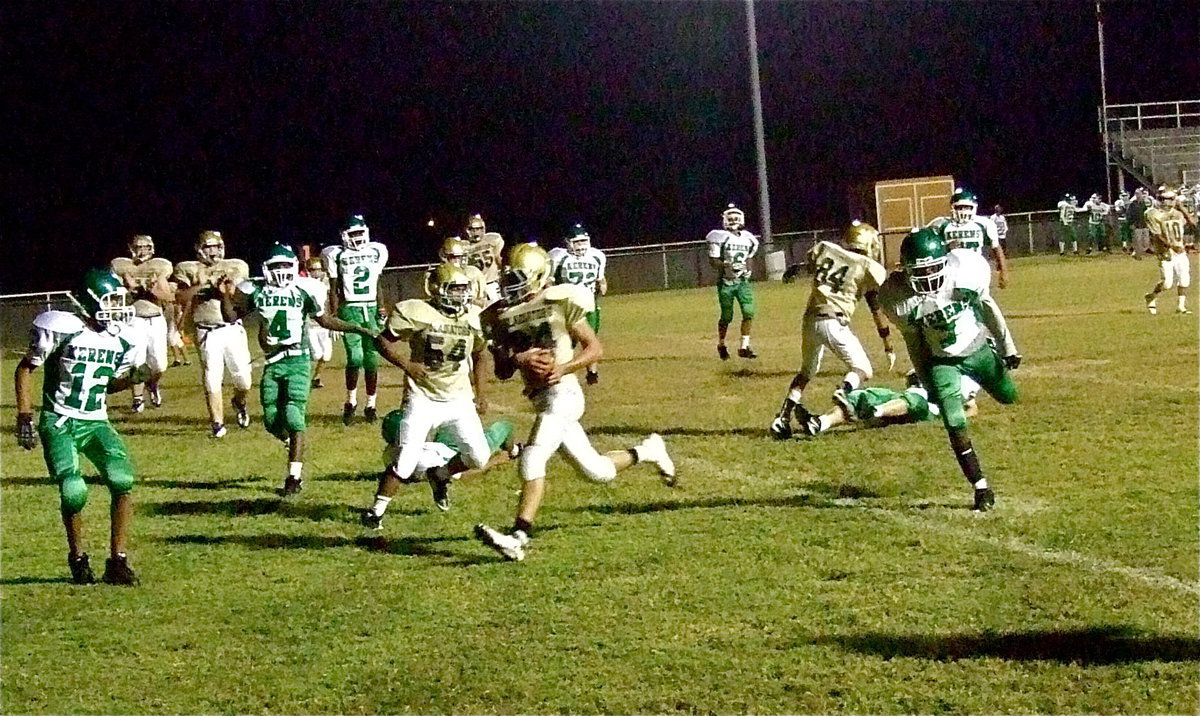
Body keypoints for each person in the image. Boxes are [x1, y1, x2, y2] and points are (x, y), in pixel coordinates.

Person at [474, 244, 676, 562]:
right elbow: (502, 372)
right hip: (541, 399)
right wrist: (516, 357)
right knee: (597, 472)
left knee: (533, 457)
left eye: (518, 277)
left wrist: (563, 367)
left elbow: (594, 347)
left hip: (565, 393)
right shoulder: (501, 316)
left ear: (539, 275)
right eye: (508, 277)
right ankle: (648, 450)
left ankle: (518, 537)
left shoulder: (558, 301)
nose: (511, 284)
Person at [13, 269, 147, 585]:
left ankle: (118, 560)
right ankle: (78, 558)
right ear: (90, 302)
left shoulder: (123, 339)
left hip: (96, 421)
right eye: (110, 301)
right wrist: (24, 415)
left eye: (119, 301)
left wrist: (132, 380)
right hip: (60, 420)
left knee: (122, 478)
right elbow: (25, 370)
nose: (118, 309)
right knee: (74, 491)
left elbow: (104, 385)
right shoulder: (64, 329)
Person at [877, 228, 1021, 512]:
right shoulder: (898, 297)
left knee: (1008, 395)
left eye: (933, 267)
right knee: (953, 420)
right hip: (942, 360)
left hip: (978, 348)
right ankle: (980, 486)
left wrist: (1008, 348)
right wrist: (925, 376)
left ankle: (984, 379)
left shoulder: (966, 270)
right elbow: (913, 340)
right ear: (905, 271)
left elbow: (989, 308)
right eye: (921, 271)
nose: (929, 276)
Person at [220, 243, 377, 494]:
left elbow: (324, 320)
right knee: (271, 419)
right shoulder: (255, 290)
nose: (281, 270)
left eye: (285, 265)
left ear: (294, 266)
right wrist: (226, 295)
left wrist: (356, 328)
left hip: (298, 360)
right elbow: (230, 318)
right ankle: (292, 440)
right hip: (272, 361)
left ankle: (294, 477)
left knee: (294, 414)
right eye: (276, 266)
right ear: (266, 268)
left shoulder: (305, 289)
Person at [361, 262, 491, 521]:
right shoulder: (418, 312)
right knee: (406, 461)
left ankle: (440, 473)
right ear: (437, 289)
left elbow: (480, 354)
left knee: (479, 457)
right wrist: (407, 365)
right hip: (423, 397)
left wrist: (482, 392)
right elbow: (382, 340)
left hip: (458, 398)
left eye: (463, 290)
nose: (460, 295)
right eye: (454, 289)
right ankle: (375, 512)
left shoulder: (472, 317)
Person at [770, 220, 895, 440]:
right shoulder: (868, 267)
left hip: (810, 320)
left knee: (806, 372)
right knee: (863, 369)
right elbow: (880, 295)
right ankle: (844, 391)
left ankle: (783, 417)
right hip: (833, 321)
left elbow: (809, 266)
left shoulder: (826, 248)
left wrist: (795, 269)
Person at [370, 411, 521, 522]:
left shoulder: (388, 454)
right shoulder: (425, 460)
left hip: (441, 445)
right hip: (454, 453)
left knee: (453, 422)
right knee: (504, 426)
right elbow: (463, 474)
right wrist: (497, 461)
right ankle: (515, 450)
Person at [173, 230, 252, 438]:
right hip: (206, 330)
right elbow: (181, 297)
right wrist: (204, 285)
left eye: (216, 246)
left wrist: (225, 289)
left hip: (232, 329)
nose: (214, 251)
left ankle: (239, 401)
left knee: (244, 380)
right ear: (199, 249)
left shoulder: (235, 266)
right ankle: (217, 424)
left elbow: (242, 295)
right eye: (209, 247)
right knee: (212, 378)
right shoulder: (189, 268)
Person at [321, 214, 389, 425]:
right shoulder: (336, 254)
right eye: (353, 233)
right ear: (344, 235)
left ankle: (371, 404)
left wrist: (381, 306)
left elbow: (377, 282)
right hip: (350, 308)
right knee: (356, 358)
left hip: (370, 306)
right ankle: (350, 400)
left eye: (360, 232)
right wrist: (333, 315)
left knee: (371, 358)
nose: (357, 237)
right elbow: (334, 288)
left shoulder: (376, 251)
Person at [802, 372, 981, 436]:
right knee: (865, 395)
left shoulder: (968, 377)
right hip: (904, 397)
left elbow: (972, 408)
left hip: (928, 407)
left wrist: (949, 415)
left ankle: (877, 411)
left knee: (915, 399)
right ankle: (821, 423)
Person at [110, 234, 174, 411]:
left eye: (146, 247)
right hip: (133, 319)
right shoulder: (122, 268)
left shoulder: (159, 268)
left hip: (155, 319)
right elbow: (115, 299)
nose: (142, 251)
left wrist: (152, 290)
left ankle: (152, 384)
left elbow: (169, 298)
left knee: (160, 365)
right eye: (139, 247)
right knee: (137, 361)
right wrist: (129, 289)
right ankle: (137, 398)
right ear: (131, 248)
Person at [548, 223, 608, 384]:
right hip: (566, 305)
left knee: (590, 339)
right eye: (577, 242)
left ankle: (592, 374)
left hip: (589, 305)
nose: (581, 245)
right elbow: (549, 281)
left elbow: (600, 279)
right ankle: (557, 370)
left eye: (583, 241)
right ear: (568, 242)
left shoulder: (597, 256)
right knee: (564, 341)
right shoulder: (558, 256)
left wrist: (602, 287)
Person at [706, 203, 760, 359]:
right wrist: (725, 265)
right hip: (726, 281)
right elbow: (713, 261)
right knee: (727, 316)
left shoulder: (749, 238)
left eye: (736, 218)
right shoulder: (719, 236)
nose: (733, 221)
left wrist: (748, 270)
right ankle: (721, 344)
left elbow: (749, 258)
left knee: (748, 312)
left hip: (742, 281)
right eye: (731, 218)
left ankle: (744, 347)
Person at [927, 188, 1010, 288]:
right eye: (959, 207)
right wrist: (946, 247)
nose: (963, 211)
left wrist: (1003, 272)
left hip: (976, 271)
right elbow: (930, 251)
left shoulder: (983, 224)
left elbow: (996, 247)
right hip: (950, 272)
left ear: (973, 208)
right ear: (953, 207)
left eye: (967, 207)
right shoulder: (941, 224)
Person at [1143, 186, 1195, 315]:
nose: (1172, 201)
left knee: (1184, 279)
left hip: (1180, 250)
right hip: (1165, 251)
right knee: (1167, 283)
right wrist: (1172, 246)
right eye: (1169, 199)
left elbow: (1193, 222)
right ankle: (1151, 296)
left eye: (1173, 199)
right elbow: (1157, 235)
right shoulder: (1152, 213)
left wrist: (1182, 207)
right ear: (1161, 199)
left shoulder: (1177, 212)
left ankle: (1181, 307)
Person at [303, 256, 334, 389]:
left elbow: (331, 300)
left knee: (326, 356)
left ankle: (316, 377)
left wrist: (332, 320)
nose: (316, 272)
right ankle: (303, 377)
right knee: (316, 354)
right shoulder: (303, 283)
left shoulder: (326, 282)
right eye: (312, 269)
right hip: (309, 324)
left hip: (324, 323)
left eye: (318, 269)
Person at [462, 213, 505, 305]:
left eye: (478, 229)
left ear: (483, 229)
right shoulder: (463, 246)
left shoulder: (492, 239)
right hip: (475, 287)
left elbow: (498, 257)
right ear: (467, 230)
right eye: (472, 229)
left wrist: (503, 271)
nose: (476, 232)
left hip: (491, 282)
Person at [436, 236, 489, 307]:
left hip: (470, 311)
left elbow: (483, 303)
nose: (457, 261)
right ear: (444, 256)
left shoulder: (474, 272)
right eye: (453, 257)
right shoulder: (435, 274)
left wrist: (469, 300)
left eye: (460, 257)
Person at [1129, 187, 1153, 259]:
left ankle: (1140, 251)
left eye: (1139, 193)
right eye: (1136, 193)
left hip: (1145, 224)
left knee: (1146, 241)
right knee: (1137, 240)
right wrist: (1131, 223)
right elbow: (1129, 214)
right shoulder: (1133, 204)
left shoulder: (1145, 204)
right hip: (1137, 224)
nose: (1138, 195)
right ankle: (1137, 254)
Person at [1112, 190, 1134, 255]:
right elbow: (1118, 211)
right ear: (1120, 196)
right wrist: (1124, 208)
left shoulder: (1131, 202)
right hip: (1122, 218)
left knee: (1131, 233)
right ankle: (1124, 246)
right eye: (1123, 195)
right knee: (1123, 232)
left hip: (1130, 219)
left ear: (1128, 195)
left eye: (1125, 195)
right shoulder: (1118, 202)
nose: (1124, 197)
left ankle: (1131, 246)